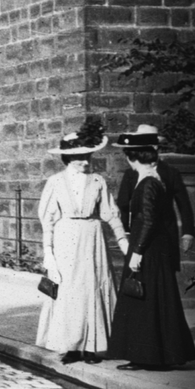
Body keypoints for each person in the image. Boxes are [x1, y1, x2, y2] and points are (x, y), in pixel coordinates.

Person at [108, 128, 195, 371]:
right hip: (149, 244)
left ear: (133, 157)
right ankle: (150, 356)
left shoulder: (149, 183)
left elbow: (148, 220)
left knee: (145, 299)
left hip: (148, 247)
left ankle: (150, 357)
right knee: (151, 299)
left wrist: (136, 251)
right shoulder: (148, 178)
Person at [36, 129, 128, 363]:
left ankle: (92, 347)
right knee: (69, 290)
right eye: (79, 156)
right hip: (66, 238)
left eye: (87, 156)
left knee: (92, 288)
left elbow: (110, 212)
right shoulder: (56, 182)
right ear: (67, 157)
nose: (85, 161)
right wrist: (48, 252)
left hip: (92, 238)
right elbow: (48, 219)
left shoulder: (97, 181)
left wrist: (122, 240)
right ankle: (71, 346)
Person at [115, 124, 195, 252]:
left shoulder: (171, 172)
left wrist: (188, 233)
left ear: (156, 146)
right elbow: (123, 203)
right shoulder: (130, 173)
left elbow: (184, 203)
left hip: (165, 232)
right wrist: (126, 231)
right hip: (140, 232)